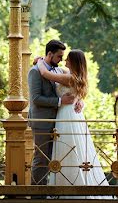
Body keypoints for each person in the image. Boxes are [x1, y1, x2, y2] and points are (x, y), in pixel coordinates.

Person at [35, 49, 109, 188]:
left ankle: (70, 187)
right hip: (70, 114)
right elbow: (57, 71)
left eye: (67, 59)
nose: (64, 61)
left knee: (68, 148)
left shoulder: (70, 78)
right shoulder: (72, 75)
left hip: (67, 115)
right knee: (69, 148)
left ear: (73, 62)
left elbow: (46, 73)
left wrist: (39, 61)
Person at [28, 39, 76, 185]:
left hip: (57, 123)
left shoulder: (57, 70)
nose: (61, 60)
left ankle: (48, 193)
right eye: (59, 56)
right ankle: (37, 199)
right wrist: (61, 102)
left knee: (53, 159)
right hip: (41, 122)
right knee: (41, 159)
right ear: (50, 54)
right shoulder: (35, 71)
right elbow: (36, 98)